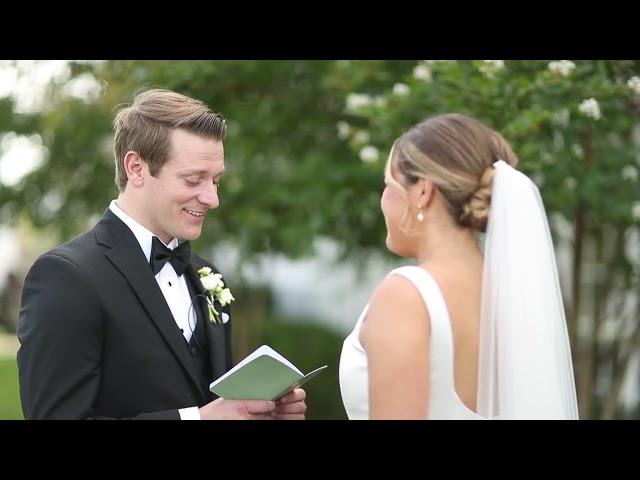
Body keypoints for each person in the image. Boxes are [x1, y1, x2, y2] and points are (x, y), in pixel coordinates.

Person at [17, 88, 306, 420]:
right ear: (136, 168)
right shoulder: (66, 277)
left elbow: (217, 404)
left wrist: (260, 411)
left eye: (215, 181)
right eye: (194, 180)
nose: (212, 199)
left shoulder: (208, 275)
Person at [339, 113, 579, 419]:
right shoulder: (515, 298)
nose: (383, 199)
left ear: (422, 191)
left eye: (388, 184)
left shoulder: (406, 296)